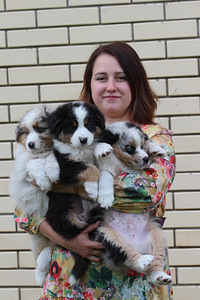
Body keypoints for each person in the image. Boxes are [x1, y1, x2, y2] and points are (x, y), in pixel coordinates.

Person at [14, 41, 176, 300]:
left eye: (121, 77)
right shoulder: (64, 136)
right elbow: (24, 212)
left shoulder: (154, 138)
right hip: (68, 283)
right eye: (101, 78)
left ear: (135, 84)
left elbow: (142, 192)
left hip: (133, 284)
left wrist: (62, 182)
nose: (110, 86)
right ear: (90, 84)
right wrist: (65, 239)